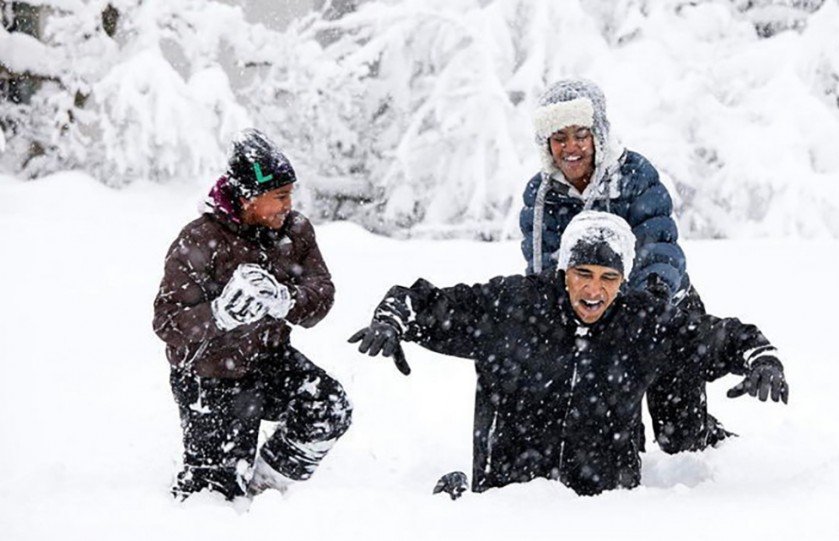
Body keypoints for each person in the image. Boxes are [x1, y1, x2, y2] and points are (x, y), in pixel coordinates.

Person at [349, 211, 788, 497]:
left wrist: (760, 358)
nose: (594, 290)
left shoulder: (642, 324)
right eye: (583, 273)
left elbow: (720, 337)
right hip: (508, 504)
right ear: (564, 272)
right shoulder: (515, 305)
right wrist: (393, 320)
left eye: (608, 277)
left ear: (623, 281)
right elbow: (426, 303)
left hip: (603, 512)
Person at [520, 78, 725, 453]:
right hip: (597, 319)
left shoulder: (634, 175)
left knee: (680, 439)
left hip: (661, 308)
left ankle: (706, 433)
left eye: (580, 134)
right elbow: (544, 266)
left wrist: (651, 298)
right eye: (559, 137)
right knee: (613, 438)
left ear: (597, 133)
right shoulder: (541, 194)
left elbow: (659, 242)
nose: (570, 148)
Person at [153, 129, 352, 501]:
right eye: (278, 196)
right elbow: (166, 321)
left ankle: (266, 487)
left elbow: (321, 295)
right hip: (208, 377)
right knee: (213, 497)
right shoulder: (198, 240)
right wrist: (219, 315)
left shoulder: (296, 231)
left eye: (290, 193)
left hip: (269, 360)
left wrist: (285, 300)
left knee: (329, 408)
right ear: (247, 197)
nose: (288, 205)